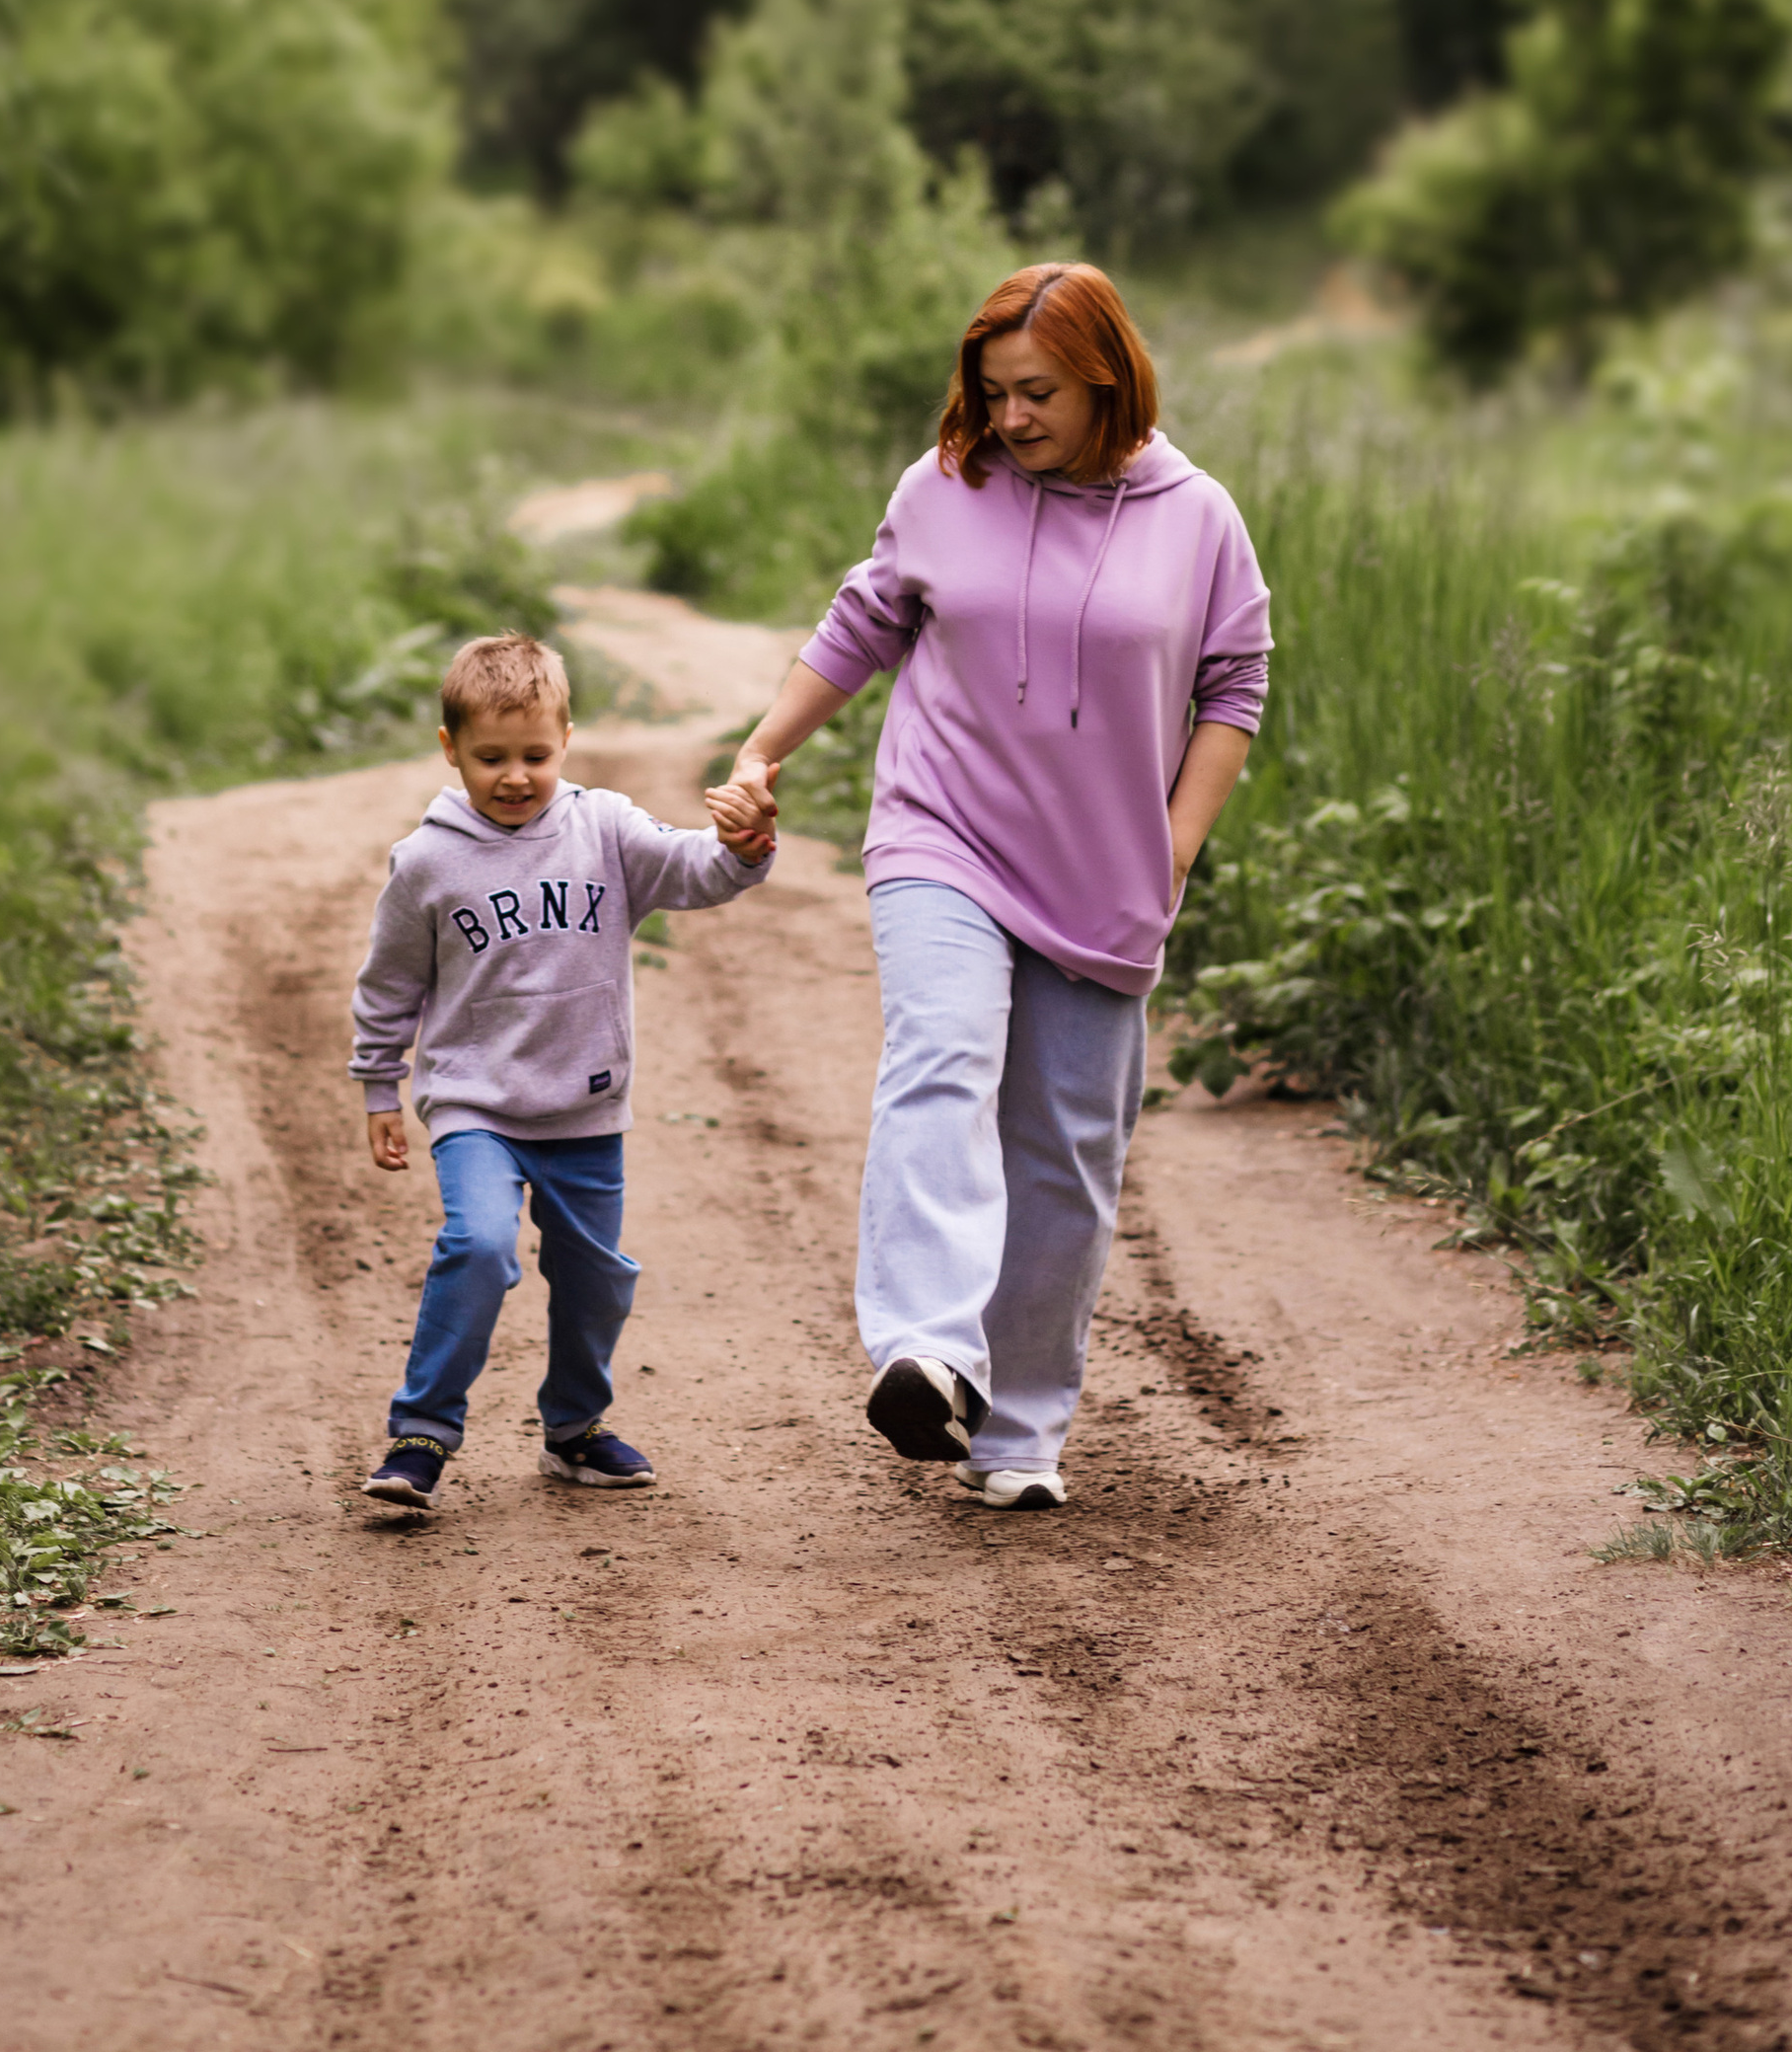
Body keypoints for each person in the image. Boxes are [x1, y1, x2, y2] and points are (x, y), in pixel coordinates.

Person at [724, 263, 1269, 1513]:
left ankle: (1018, 1432)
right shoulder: (944, 485)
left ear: (1105, 381)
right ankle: (926, 1347)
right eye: (992, 392)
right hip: (942, 830)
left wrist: (1173, 846)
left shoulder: (1198, 518)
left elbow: (1234, 686)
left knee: (1067, 1150)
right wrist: (762, 751)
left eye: (1037, 394)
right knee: (940, 1054)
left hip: (1104, 870)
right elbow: (863, 622)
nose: (1011, 419)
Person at [351, 630, 779, 1514]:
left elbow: (695, 868)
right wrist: (378, 1088)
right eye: (491, 757)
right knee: (477, 1246)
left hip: (585, 1107)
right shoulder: (427, 861)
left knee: (595, 1279)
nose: (515, 776)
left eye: (535, 755)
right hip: (476, 1105)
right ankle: (421, 1433)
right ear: (450, 750)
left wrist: (740, 847)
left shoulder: (606, 827)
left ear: (567, 740)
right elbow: (389, 983)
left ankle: (574, 1429)